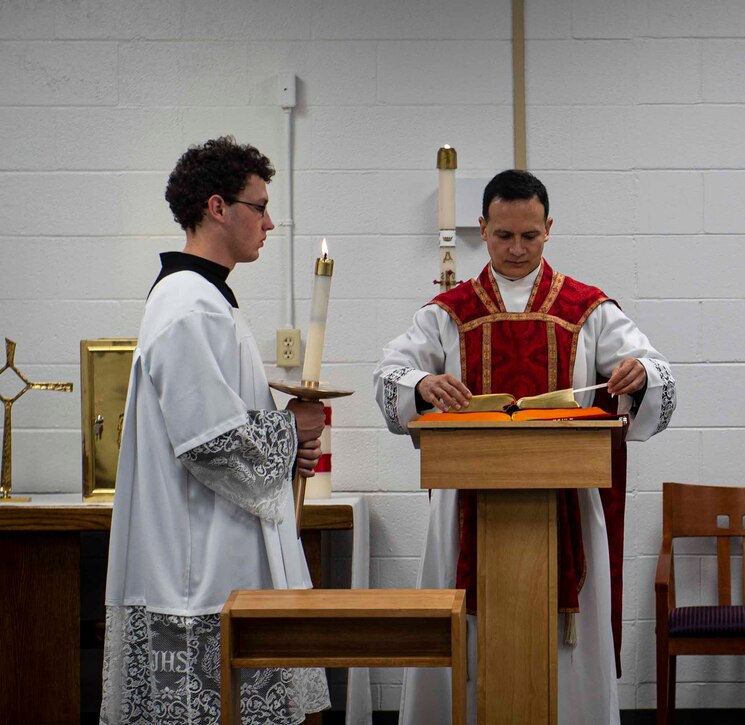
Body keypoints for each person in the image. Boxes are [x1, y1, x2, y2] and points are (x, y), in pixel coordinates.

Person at [375, 169, 676, 725]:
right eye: (503, 236)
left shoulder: (587, 308)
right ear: (482, 228)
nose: (516, 249)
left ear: (549, 229)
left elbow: (656, 370)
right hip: (466, 500)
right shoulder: (449, 312)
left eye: (530, 236)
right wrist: (419, 385)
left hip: (567, 504)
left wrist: (640, 374)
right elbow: (390, 374)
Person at [100, 137, 330, 725]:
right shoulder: (187, 304)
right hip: (194, 565)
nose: (270, 223)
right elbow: (211, 445)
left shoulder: (207, 300)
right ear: (218, 207)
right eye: (260, 206)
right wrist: (289, 430)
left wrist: (287, 441)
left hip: (215, 549)